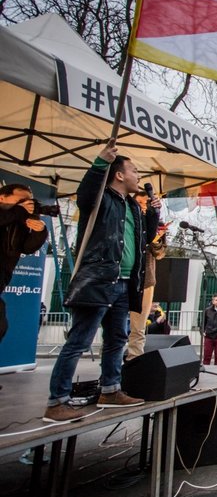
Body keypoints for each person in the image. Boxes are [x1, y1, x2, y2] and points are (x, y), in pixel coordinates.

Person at [44, 141, 159, 422]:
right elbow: (85, 195)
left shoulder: (132, 207)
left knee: (117, 338)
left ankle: (111, 389)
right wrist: (99, 163)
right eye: (133, 171)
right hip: (98, 280)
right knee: (80, 340)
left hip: (122, 283)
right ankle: (57, 400)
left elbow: (146, 237)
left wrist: (153, 213)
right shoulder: (101, 199)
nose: (138, 177)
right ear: (119, 174)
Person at [0, 183, 47, 344]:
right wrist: (20, 210)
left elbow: (27, 248)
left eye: (30, 201)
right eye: (22, 200)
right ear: (2, 198)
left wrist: (40, 232)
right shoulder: (13, 214)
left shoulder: (19, 220)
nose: (28, 204)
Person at [126, 189, 166, 361]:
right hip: (124, 276)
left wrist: (155, 241)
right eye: (139, 203)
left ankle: (134, 360)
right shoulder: (127, 222)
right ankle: (109, 360)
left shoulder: (156, 224)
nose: (143, 207)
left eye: (145, 204)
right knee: (115, 323)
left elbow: (161, 253)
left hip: (146, 279)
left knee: (139, 326)